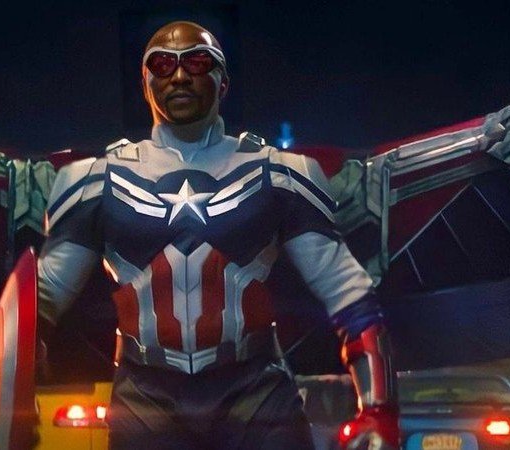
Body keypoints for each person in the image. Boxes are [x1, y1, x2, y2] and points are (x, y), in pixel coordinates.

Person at [37, 21, 398, 450]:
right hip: (146, 398)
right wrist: (14, 396)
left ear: (222, 81)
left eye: (196, 62)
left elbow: (345, 289)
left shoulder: (278, 172)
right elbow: (42, 301)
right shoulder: (97, 181)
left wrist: (379, 408)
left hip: (256, 391)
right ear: (146, 82)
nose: (179, 76)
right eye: (163, 64)